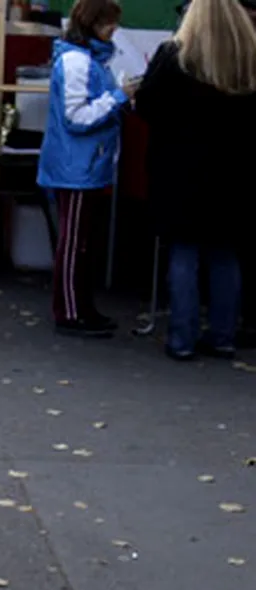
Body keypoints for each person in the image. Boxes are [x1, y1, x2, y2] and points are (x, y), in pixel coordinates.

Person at [136, 0, 256, 361]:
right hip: (234, 171)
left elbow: (147, 106)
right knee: (225, 254)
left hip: (181, 169)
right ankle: (222, 334)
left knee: (184, 253)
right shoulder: (247, 57)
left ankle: (182, 338)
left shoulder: (175, 56)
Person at [35, 0, 129, 338]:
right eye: (109, 23)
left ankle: (80, 307)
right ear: (94, 23)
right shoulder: (78, 62)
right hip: (77, 167)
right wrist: (118, 98)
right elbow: (77, 117)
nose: (114, 29)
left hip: (83, 165)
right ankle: (71, 311)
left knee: (80, 242)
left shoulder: (85, 59)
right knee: (75, 243)